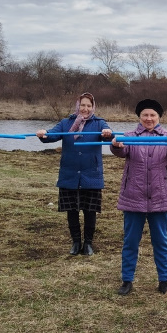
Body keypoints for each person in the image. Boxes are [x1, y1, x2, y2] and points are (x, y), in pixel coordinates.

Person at [110, 99, 167, 296]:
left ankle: (164, 281)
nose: (149, 118)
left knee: (161, 242)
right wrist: (116, 145)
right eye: (145, 115)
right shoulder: (129, 136)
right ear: (139, 117)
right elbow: (121, 151)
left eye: (152, 115)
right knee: (130, 241)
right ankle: (127, 280)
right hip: (133, 196)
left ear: (159, 117)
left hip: (160, 197)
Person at [36, 92, 112, 256]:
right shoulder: (66, 123)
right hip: (69, 174)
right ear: (78, 106)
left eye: (89, 106)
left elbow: (109, 135)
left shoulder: (99, 123)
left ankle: (88, 243)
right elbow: (52, 135)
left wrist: (107, 133)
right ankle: (76, 242)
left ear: (93, 107)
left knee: (90, 210)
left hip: (91, 174)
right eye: (83, 105)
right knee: (72, 210)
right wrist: (44, 133)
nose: (85, 109)